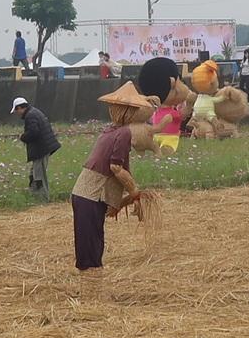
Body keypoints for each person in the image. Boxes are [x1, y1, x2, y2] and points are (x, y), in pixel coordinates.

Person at [71, 83, 158, 272]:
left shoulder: (110, 131)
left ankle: (92, 288)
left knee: (91, 244)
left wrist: (126, 198)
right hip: (91, 195)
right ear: (128, 111)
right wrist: (134, 192)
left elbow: (122, 167)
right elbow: (116, 168)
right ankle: (91, 289)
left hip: (84, 194)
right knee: (91, 250)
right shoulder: (124, 133)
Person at [12, 96, 60, 199]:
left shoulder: (30, 116)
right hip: (43, 149)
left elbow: (34, 132)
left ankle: (43, 199)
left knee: (39, 176)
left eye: (16, 110)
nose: (17, 113)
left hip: (41, 150)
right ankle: (35, 196)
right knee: (33, 174)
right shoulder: (34, 112)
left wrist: (23, 137)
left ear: (20, 107)